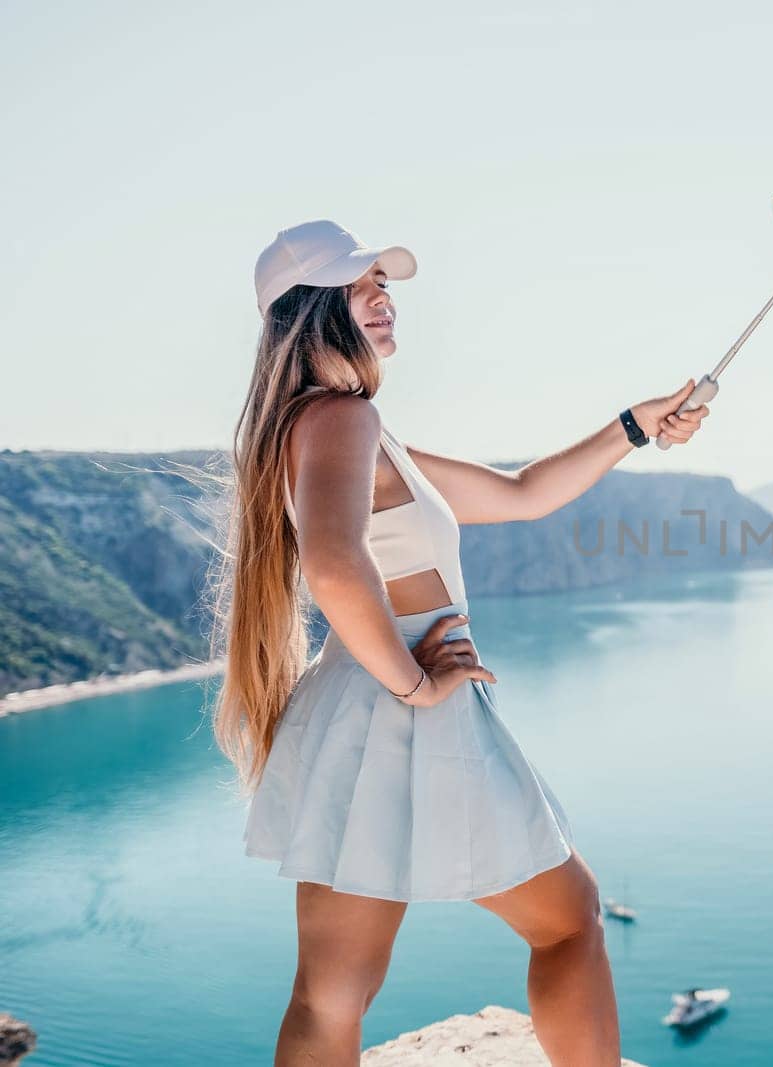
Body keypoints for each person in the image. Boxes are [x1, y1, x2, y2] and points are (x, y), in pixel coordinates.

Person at [209, 219, 709, 1067]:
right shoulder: (342, 418)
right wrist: (415, 686)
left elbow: (520, 493)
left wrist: (635, 424)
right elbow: (334, 566)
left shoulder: (327, 424)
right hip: (404, 707)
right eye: (358, 283)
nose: (382, 295)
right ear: (306, 311)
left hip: (350, 711)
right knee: (571, 919)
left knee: (331, 994)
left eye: (383, 282)